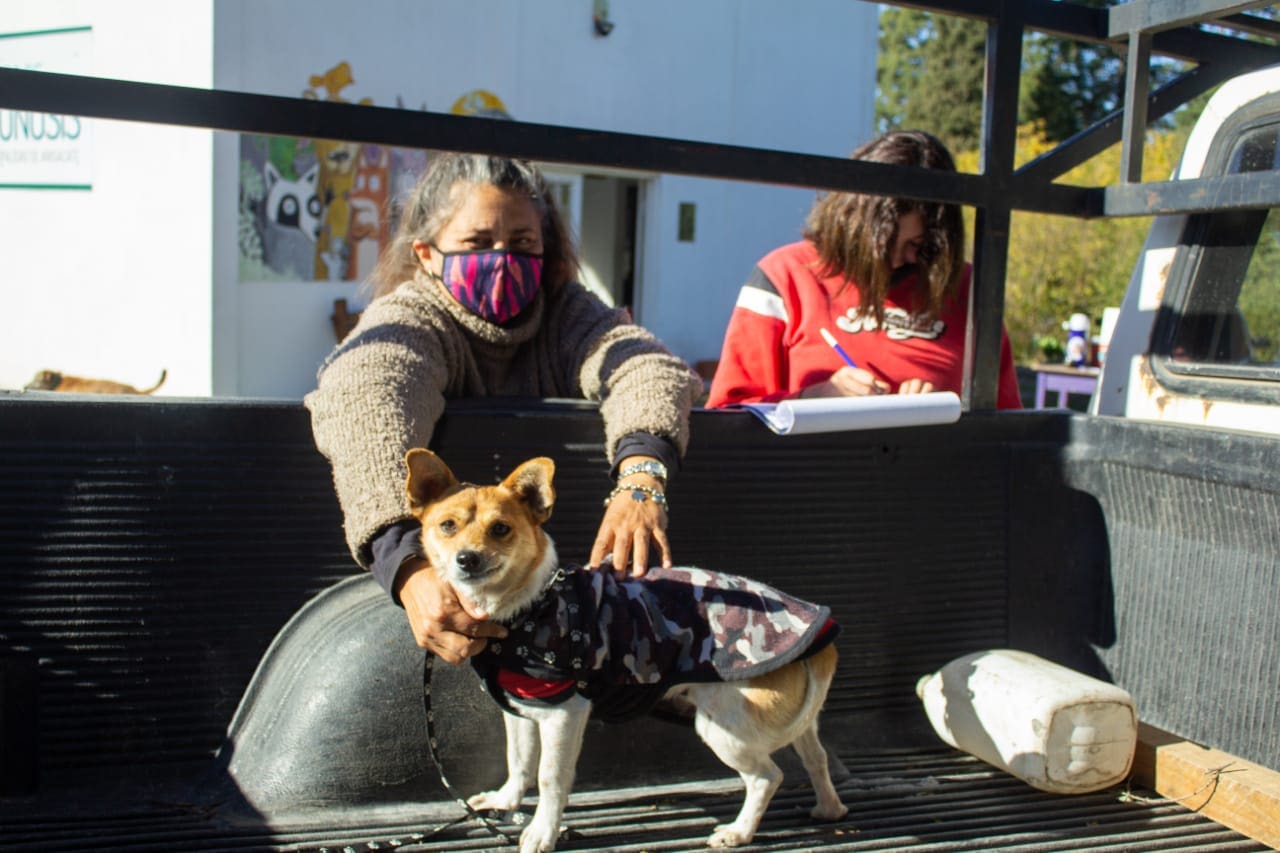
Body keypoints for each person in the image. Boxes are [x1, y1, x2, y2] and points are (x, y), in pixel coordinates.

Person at [306, 153, 703, 665]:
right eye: (477, 243)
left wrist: (640, 477)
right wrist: (408, 566)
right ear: (426, 253)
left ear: (545, 248)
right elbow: (367, 402)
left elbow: (646, 366)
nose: (501, 258)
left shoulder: (568, 313)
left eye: (522, 244)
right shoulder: (409, 320)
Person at [706, 130, 1023, 409]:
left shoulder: (965, 289)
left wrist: (941, 413)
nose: (896, 262)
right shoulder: (785, 275)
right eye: (883, 247)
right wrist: (814, 399)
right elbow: (728, 413)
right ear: (850, 223)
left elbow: (1005, 427)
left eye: (916, 246)